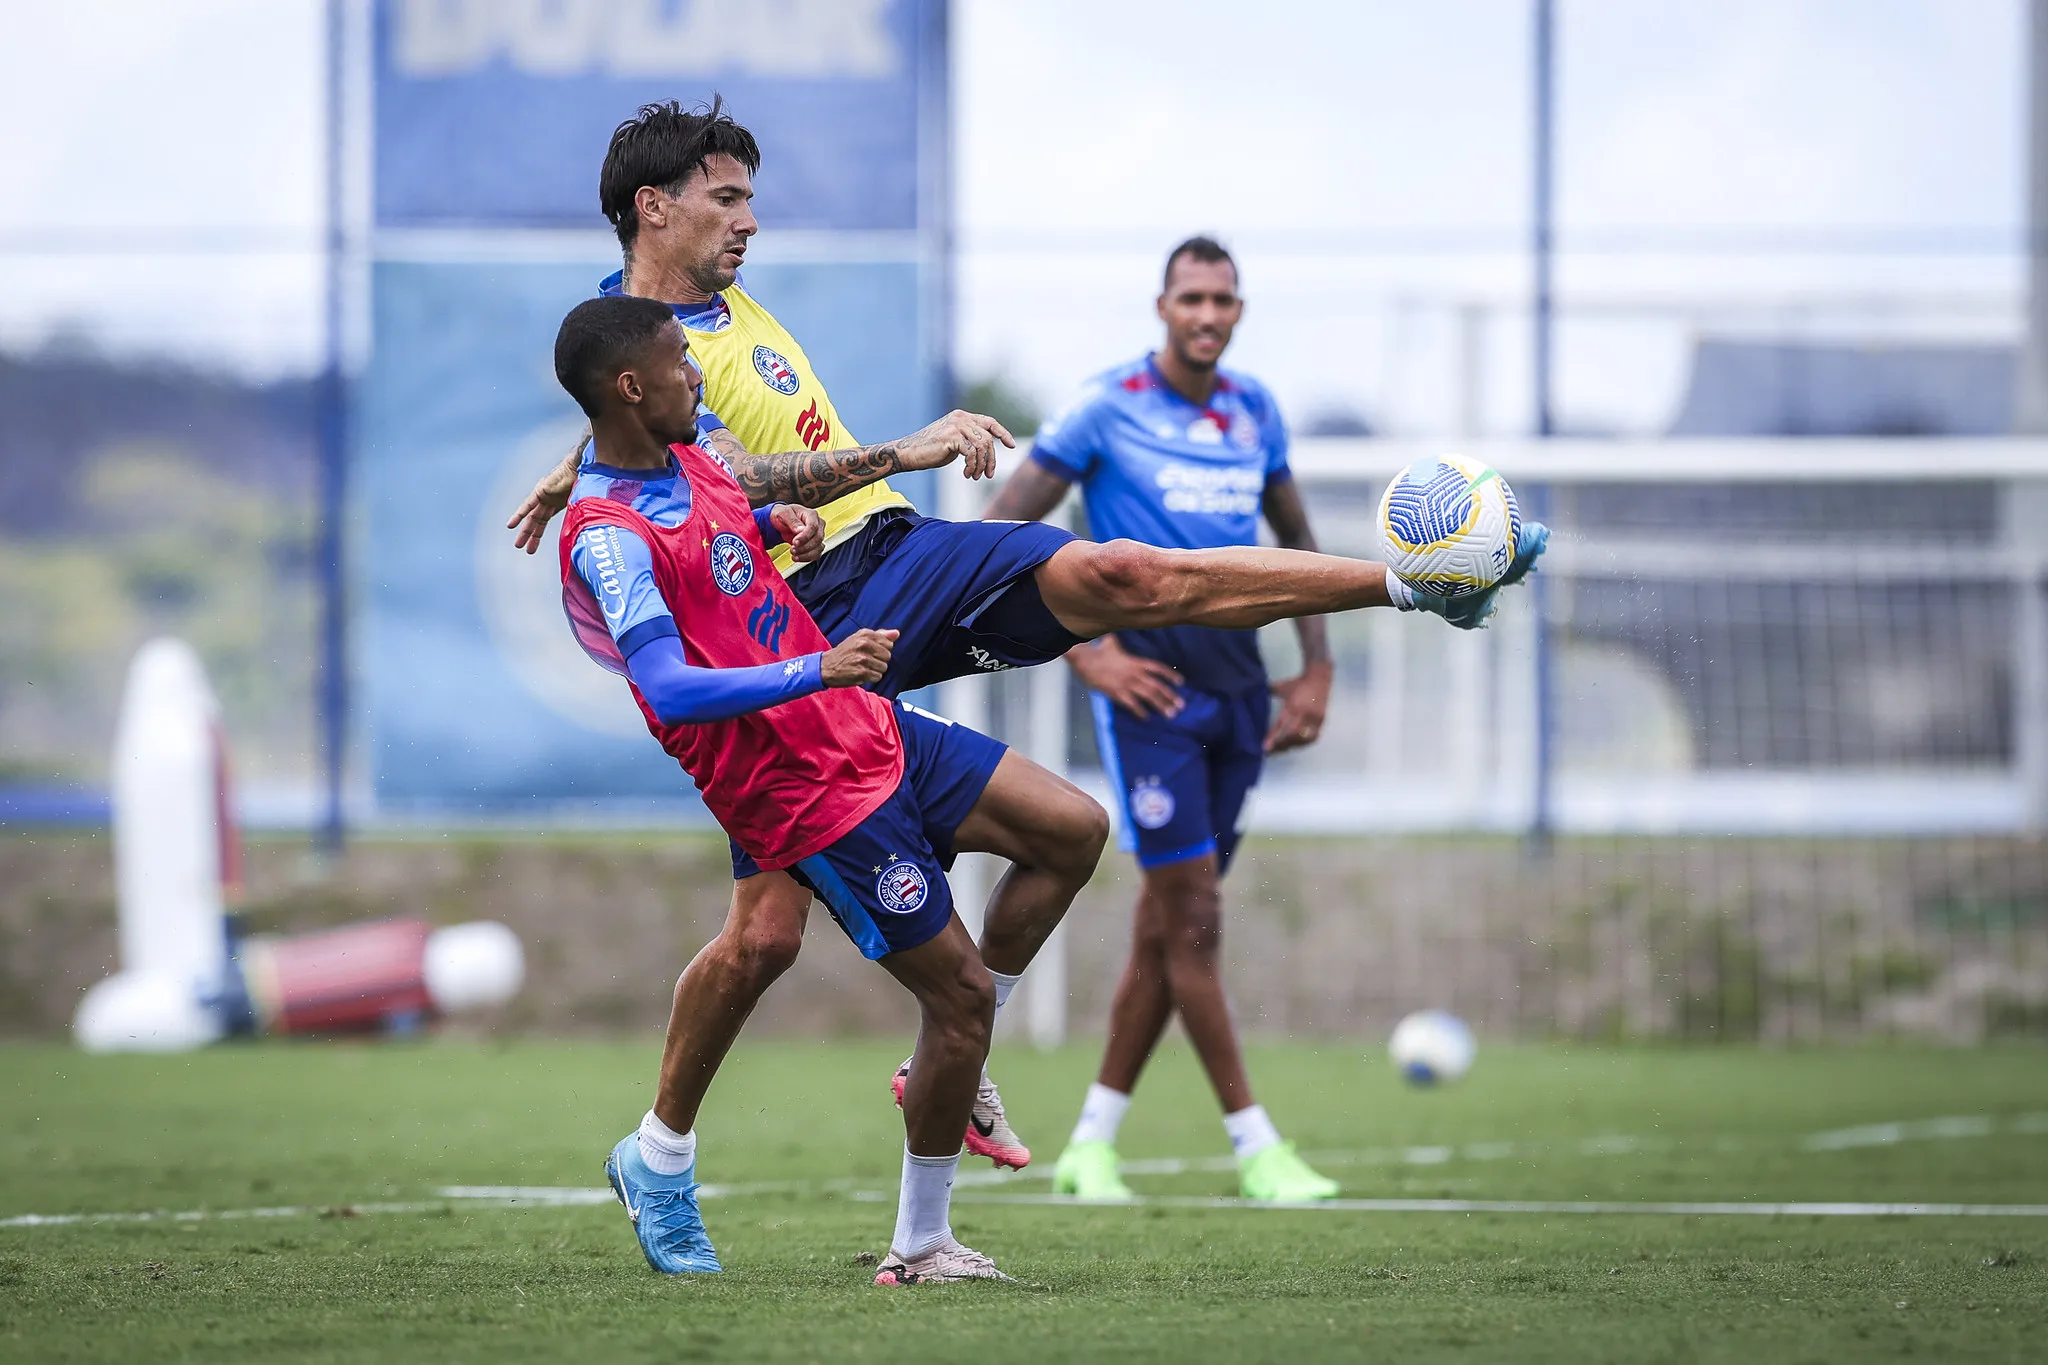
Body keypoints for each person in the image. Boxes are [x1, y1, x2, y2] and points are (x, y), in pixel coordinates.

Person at [507, 99, 1548, 1171]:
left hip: (890, 561)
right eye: (725, 198)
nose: (749, 221)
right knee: (764, 936)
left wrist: (569, 469)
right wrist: (900, 449)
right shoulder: (646, 339)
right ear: (653, 208)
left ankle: (1413, 586)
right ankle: (664, 1148)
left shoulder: (689, 320)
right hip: (804, 621)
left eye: (748, 200)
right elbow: (719, 470)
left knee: (1120, 578)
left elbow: (635, 440)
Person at [554, 292, 1043, 1284]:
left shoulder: (692, 462)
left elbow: (727, 559)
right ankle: (919, 1244)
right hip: (799, 781)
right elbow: (668, 686)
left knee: (1068, 830)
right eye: (681, 364)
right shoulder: (605, 534)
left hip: (855, 726)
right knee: (951, 996)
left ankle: (668, 1151)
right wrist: (817, 670)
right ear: (630, 386)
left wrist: (778, 526)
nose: (700, 377)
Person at [984, 237, 1336, 1201]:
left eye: (1224, 299)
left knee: (1168, 928)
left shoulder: (1255, 408)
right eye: (1193, 297)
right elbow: (1005, 535)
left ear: (1239, 309)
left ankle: (1091, 1144)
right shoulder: (1107, 405)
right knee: (1195, 921)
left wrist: (1315, 670)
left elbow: (1297, 543)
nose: (1209, 315)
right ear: (1163, 306)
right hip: (1152, 701)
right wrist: (1091, 652)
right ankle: (1257, 1145)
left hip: (1241, 694)